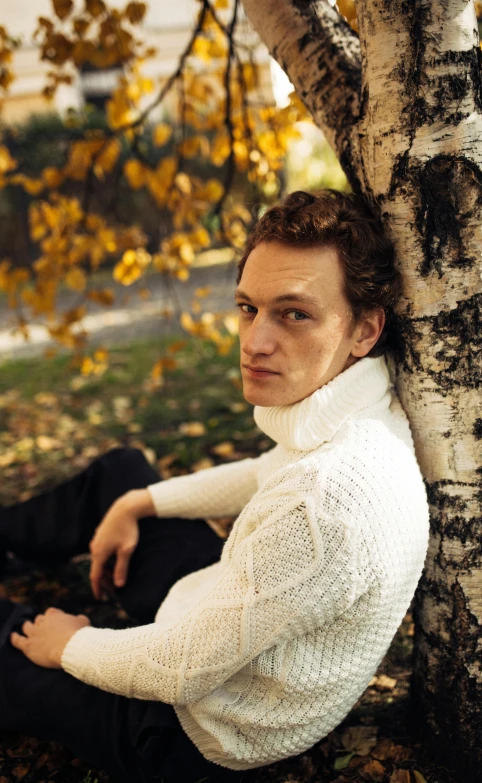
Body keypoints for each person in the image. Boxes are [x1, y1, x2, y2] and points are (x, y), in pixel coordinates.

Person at [0, 190, 430, 783]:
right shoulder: (359, 413)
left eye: (294, 314)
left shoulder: (324, 504)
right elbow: (262, 473)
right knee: (125, 473)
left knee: (13, 635)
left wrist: (69, 644)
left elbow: (180, 670)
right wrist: (138, 503)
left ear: (364, 330)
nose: (254, 342)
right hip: (212, 627)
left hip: (192, 730)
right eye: (249, 308)